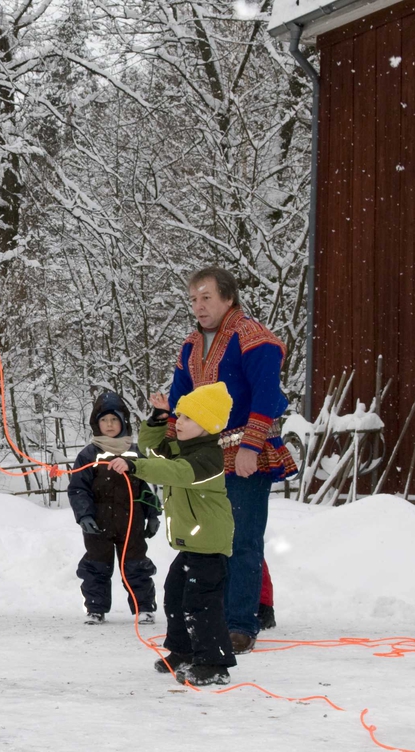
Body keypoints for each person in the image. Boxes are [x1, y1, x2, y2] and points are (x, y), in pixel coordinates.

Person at [167, 267, 297, 654]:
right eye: (193, 299)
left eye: (206, 297)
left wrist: (251, 447)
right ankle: (219, 612)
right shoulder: (191, 344)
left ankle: (241, 623)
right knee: (211, 539)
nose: (198, 306)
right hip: (204, 456)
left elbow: (265, 397)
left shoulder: (255, 339)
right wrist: (169, 433)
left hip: (246, 451)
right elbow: (181, 399)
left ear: (228, 298)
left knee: (243, 538)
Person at [109, 382, 236, 686]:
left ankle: (214, 663)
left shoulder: (208, 458)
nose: (179, 423)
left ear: (208, 425)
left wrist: (133, 464)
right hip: (192, 544)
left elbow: (174, 471)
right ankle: (183, 651)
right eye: (178, 417)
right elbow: (152, 447)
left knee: (200, 603)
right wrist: (157, 416)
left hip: (209, 546)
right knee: (176, 597)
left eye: (188, 418)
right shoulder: (184, 448)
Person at [66, 391, 161, 625]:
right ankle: (96, 608)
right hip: (98, 523)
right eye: (104, 420)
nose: (109, 425)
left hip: (132, 522)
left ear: (123, 422)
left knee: (136, 566)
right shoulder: (89, 454)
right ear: (96, 424)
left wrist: (153, 514)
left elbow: (146, 487)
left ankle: (144, 608)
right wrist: (84, 515)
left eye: (114, 420)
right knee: (96, 567)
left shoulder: (135, 452)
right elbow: (78, 488)